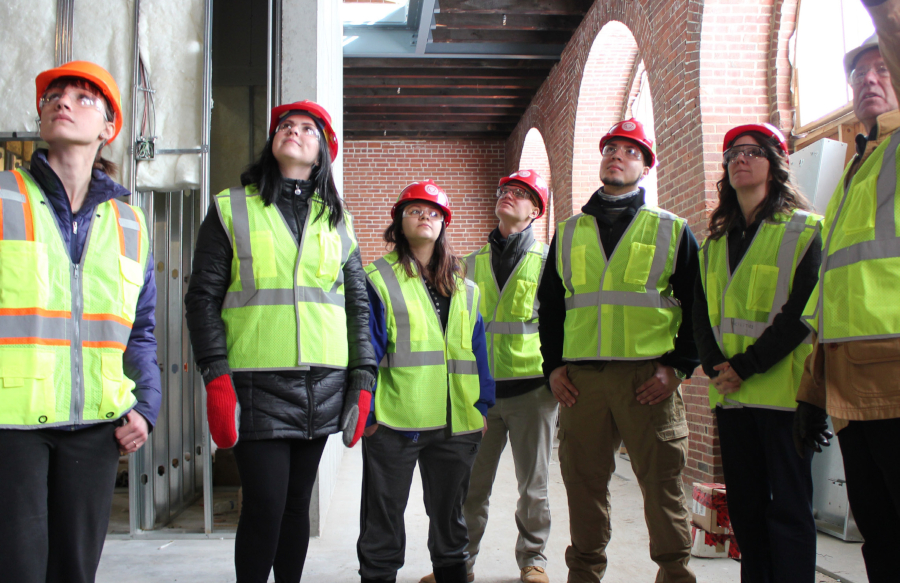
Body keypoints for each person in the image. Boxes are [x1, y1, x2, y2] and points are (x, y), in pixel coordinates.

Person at [184, 100, 376, 583]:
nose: (294, 132)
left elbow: (357, 305)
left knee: (296, 509)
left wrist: (363, 378)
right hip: (255, 381)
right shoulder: (233, 208)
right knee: (265, 506)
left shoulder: (337, 220)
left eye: (307, 128)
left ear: (322, 152)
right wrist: (215, 374)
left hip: (323, 383)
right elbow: (201, 297)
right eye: (285, 126)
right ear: (273, 144)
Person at [0, 61, 161, 583]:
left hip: (95, 426)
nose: (62, 102)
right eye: (54, 96)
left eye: (82, 97)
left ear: (108, 128)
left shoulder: (131, 221)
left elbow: (139, 330)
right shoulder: (3, 198)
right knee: (17, 568)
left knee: (75, 571)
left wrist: (147, 404)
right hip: (11, 425)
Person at [537, 118, 700, 583]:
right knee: (583, 483)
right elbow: (551, 308)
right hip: (582, 382)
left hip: (648, 379)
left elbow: (697, 306)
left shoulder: (672, 229)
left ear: (645, 166)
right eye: (611, 147)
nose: (618, 155)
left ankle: (674, 573)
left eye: (631, 151)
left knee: (662, 484)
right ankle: (585, 573)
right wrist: (553, 368)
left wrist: (679, 368)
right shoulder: (568, 233)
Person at [794, 2, 900, 581]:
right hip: (855, 398)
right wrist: (813, 393)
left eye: (883, 68)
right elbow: (830, 301)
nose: (868, 80)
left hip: (896, 386)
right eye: (858, 74)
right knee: (879, 541)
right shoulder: (856, 172)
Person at [694, 123, 822, 582]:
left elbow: (801, 313)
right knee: (746, 511)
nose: (740, 160)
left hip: (783, 397)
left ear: (776, 163)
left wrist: (744, 367)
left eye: (752, 152)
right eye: (732, 154)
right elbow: (701, 313)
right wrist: (714, 366)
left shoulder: (806, 230)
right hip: (731, 397)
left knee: (788, 511)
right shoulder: (713, 244)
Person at [419, 170, 555, 583]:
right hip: (481, 394)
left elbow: (558, 323)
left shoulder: (549, 261)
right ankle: (460, 563)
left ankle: (533, 561)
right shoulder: (472, 263)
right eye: (506, 191)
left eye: (521, 194)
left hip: (534, 390)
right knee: (470, 487)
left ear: (535, 211)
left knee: (534, 485)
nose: (509, 196)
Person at [358, 180, 495, 583]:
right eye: (415, 210)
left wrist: (482, 406)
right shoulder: (378, 279)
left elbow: (478, 354)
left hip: (457, 424)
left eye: (434, 212)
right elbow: (366, 349)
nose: (425, 217)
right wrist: (365, 410)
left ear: (444, 225)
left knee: (451, 524)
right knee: (382, 521)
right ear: (399, 222)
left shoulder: (466, 289)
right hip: (396, 421)